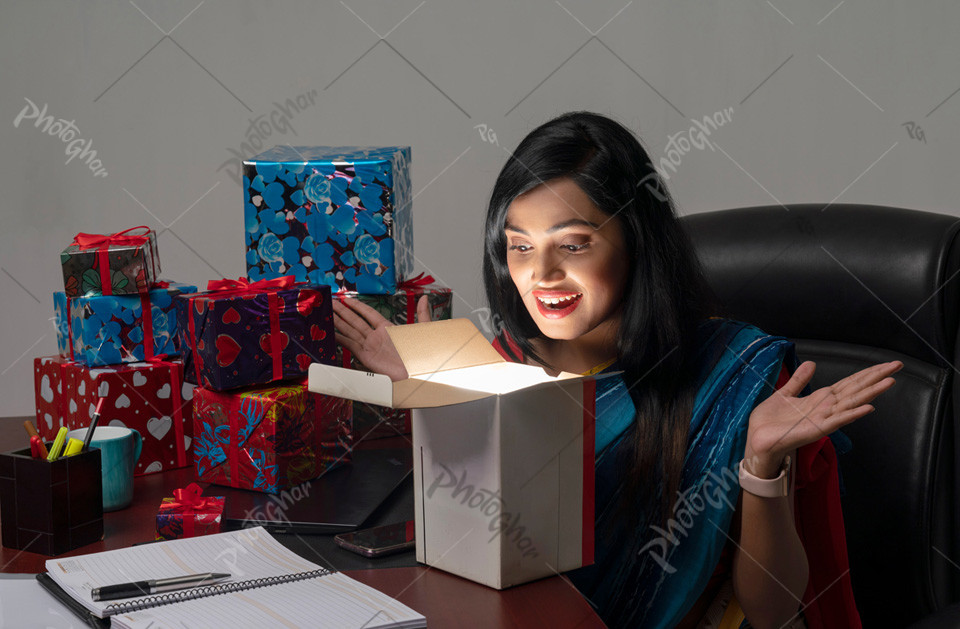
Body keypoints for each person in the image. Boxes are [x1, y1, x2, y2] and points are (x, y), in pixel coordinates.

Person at [332, 111, 901, 628]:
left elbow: (773, 609)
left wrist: (760, 464)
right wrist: (425, 383)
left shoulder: (738, 379)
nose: (542, 274)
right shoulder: (492, 364)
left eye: (573, 245)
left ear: (636, 244)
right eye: (520, 247)